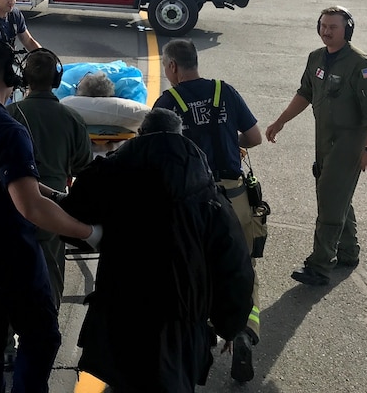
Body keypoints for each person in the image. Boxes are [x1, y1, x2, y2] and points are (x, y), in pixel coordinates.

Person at [59, 108, 254, 393]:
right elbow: (235, 265)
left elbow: (71, 217)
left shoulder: (110, 173)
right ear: (180, 136)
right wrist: (230, 324)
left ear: (141, 135)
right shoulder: (207, 191)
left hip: (121, 320)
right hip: (180, 330)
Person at [0, 40, 101, 393]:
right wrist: (88, 232)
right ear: (11, 76)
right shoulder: (9, 130)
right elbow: (29, 206)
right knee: (42, 338)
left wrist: (54, 195)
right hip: (8, 263)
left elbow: (5, 181)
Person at [152, 39, 263, 383]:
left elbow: (157, 154)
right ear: (195, 62)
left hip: (195, 202)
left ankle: (201, 340)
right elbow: (254, 137)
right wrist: (230, 142)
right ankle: (244, 331)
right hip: (236, 196)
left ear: (172, 67)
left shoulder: (169, 102)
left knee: (195, 270)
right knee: (244, 266)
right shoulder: (224, 91)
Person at [265, 6, 367, 287]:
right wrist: (280, 121)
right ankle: (348, 251)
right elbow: (305, 93)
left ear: (347, 30)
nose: (327, 31)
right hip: (324, 137)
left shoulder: (361, 65)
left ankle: (320, 265)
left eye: (333, 26)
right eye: (323, 26)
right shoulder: (316, 58)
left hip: (350, 141)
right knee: (336, 193)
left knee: (331, 197)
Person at [7, 48, 93, 308]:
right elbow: (84, 168)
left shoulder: (9, 116)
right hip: (52, 214)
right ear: (56, 81)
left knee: (10, 278)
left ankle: (9, 344)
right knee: (50, 282)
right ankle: (45, 338)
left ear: (24, 79)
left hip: (13, 209)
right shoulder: (72, 119)